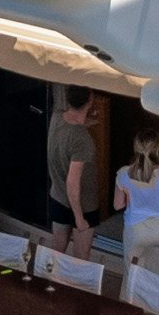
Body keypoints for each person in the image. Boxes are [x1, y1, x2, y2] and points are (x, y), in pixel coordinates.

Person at [114, 130, 159, 273]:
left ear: (135, 147)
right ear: (158, 148)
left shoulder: (123, 174)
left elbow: (118, 205)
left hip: (135, 231)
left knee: (133, 274)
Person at [47, 84, 110, 240]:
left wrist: (91, 121)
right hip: (83, 206)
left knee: (56, 250)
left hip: (58, 196)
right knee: (80, 254)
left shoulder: (56, 117)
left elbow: (73, 123)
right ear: (90, 101)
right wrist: (79, 218)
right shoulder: (82, 140)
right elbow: (73, 182)